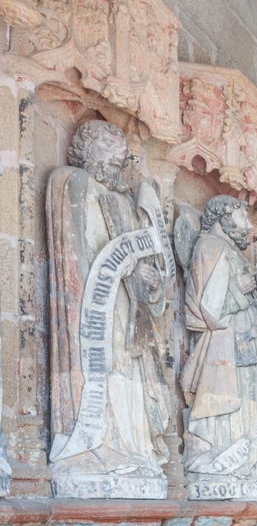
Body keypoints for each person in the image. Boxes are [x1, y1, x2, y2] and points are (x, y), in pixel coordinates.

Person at [47, 120, 171, 498]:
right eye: (107, 144)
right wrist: (121, 267)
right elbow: (73, 250)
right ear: (84, 148)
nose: (118, 154)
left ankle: (131, 448)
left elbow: (144, 263)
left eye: (121, 148)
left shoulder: (128, 202)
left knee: (129, 368)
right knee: (108, 362)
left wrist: (150, 278)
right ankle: (98, 446)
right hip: (94, 303)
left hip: (129, 306)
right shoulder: (73, 181)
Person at [182, 195, 257, 501]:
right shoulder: (210, 245)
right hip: (224, 347)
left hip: (244, 344)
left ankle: (243, 466)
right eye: (242, 216)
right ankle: (220, 461)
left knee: (244, 408)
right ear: (222, 216)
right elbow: (209, 310)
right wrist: (240, 289)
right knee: (227, 407)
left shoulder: (232, 251)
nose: (247, 224)